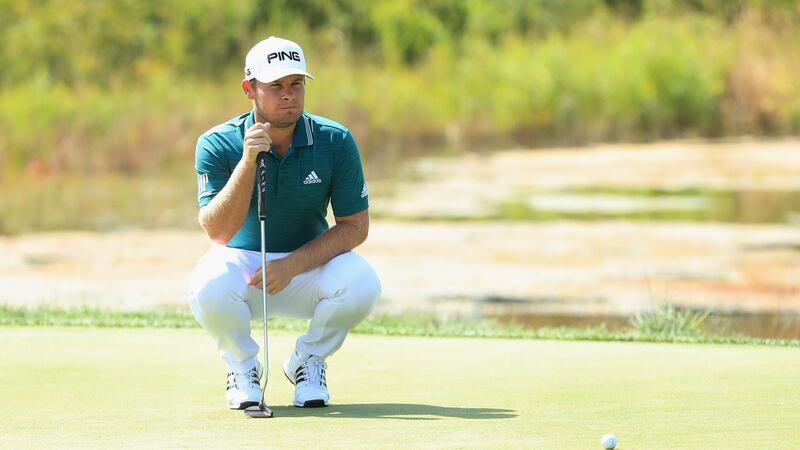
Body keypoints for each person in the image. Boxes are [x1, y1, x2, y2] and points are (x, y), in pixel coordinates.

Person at [188, 36, 381, 410]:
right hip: (243, 267)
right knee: (206, 285)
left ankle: (307, 360)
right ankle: (243, 367)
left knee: (362, 283)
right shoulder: (215, 143)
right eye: (275, 86)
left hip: (307, 268)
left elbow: (356, 226)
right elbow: (218, 232)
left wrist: (291, 265)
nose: (288, 95)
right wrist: (247, 161)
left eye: (296, 84)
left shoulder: (335, 140)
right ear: (250, 89)